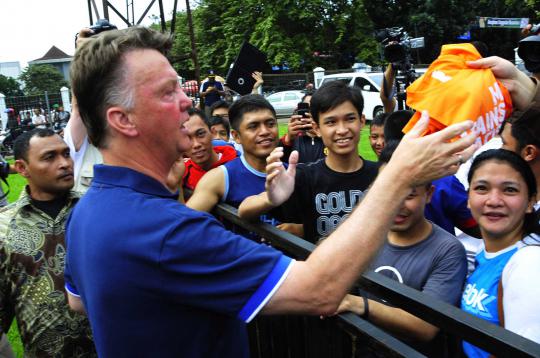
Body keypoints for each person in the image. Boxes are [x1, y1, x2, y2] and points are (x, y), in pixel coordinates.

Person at [65, 26, 476, 357]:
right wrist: (399, 176)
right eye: (167, 92)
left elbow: (79, 302)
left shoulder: (89, 211)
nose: (187, 106)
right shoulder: (162, 230)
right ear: (123, 120)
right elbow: (321, 289)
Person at [337, 142, 467, 355]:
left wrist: (357, 304)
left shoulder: (447, 251)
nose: (397, 203)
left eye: (409, 194)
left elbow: (425, 327)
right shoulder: (366, 232)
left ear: (429, 193)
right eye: (388, 191)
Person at [238, 81, 379, 243]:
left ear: (362, 121)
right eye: (331, 122)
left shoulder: (380, 174)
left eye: (350, 119)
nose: (342, 130)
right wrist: (270, 199)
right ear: (317, 128)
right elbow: (244, 211)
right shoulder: (304, 176)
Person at [0, 128, 95, 356]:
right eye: (50, 157)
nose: (65, 163)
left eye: (66, 154)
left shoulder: (95, 211)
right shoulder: (4, 227)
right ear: (22, 168)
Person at [461, 149, 540, 357]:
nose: (494, 200)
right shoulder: (483, 252)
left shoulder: (529, 263)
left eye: (510, 190)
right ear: (468, 198)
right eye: (481, 188)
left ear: (531, 202)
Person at [187, 94, 281, 212]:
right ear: (236, 136)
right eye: (253, 126)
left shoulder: (293, 172)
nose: (264, 131)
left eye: (270, 124)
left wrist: (302, 229)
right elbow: (185, 223)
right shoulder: (219, 178)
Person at [178, 110, 237, 194]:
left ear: (212, 132)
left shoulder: (238, 164)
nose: (196, 144)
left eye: (200, 134)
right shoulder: (180, 172)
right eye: (186, 138)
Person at [280, 92, 326, 164]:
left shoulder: (329, 136)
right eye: (307, 108)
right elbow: (282, 163)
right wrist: (288, 140)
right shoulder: (293, 137)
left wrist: (321, 133)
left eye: (314, 108)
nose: (310, 112)